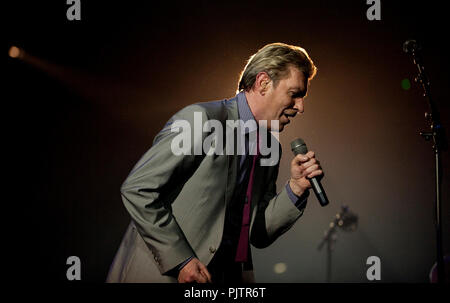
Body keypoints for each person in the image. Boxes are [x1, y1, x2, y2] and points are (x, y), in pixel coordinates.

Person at [106, 42, 322, 283]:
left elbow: (257, 233)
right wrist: (181, 260)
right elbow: (138, 189)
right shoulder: (200, 120)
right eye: (294, 94)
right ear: (263, 83)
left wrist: (296, 188)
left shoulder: (271, 147)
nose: (300, 107)